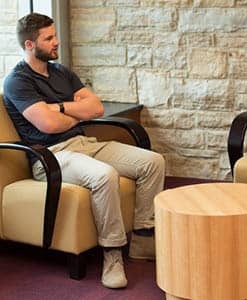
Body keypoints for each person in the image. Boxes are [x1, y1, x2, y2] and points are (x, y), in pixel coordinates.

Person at [3, 13, 165, 289]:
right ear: (30, 44)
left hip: (85, 144)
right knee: (104, 175)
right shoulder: (18, 81)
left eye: (55, 35)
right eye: (49, 38)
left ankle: (142, 239)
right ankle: (112, 254)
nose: (57, 41)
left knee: (153, 162)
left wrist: (61, 107)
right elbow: (49, 124)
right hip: (51, 156)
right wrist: (75, 111)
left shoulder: (61, 72)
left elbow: (96, 108)